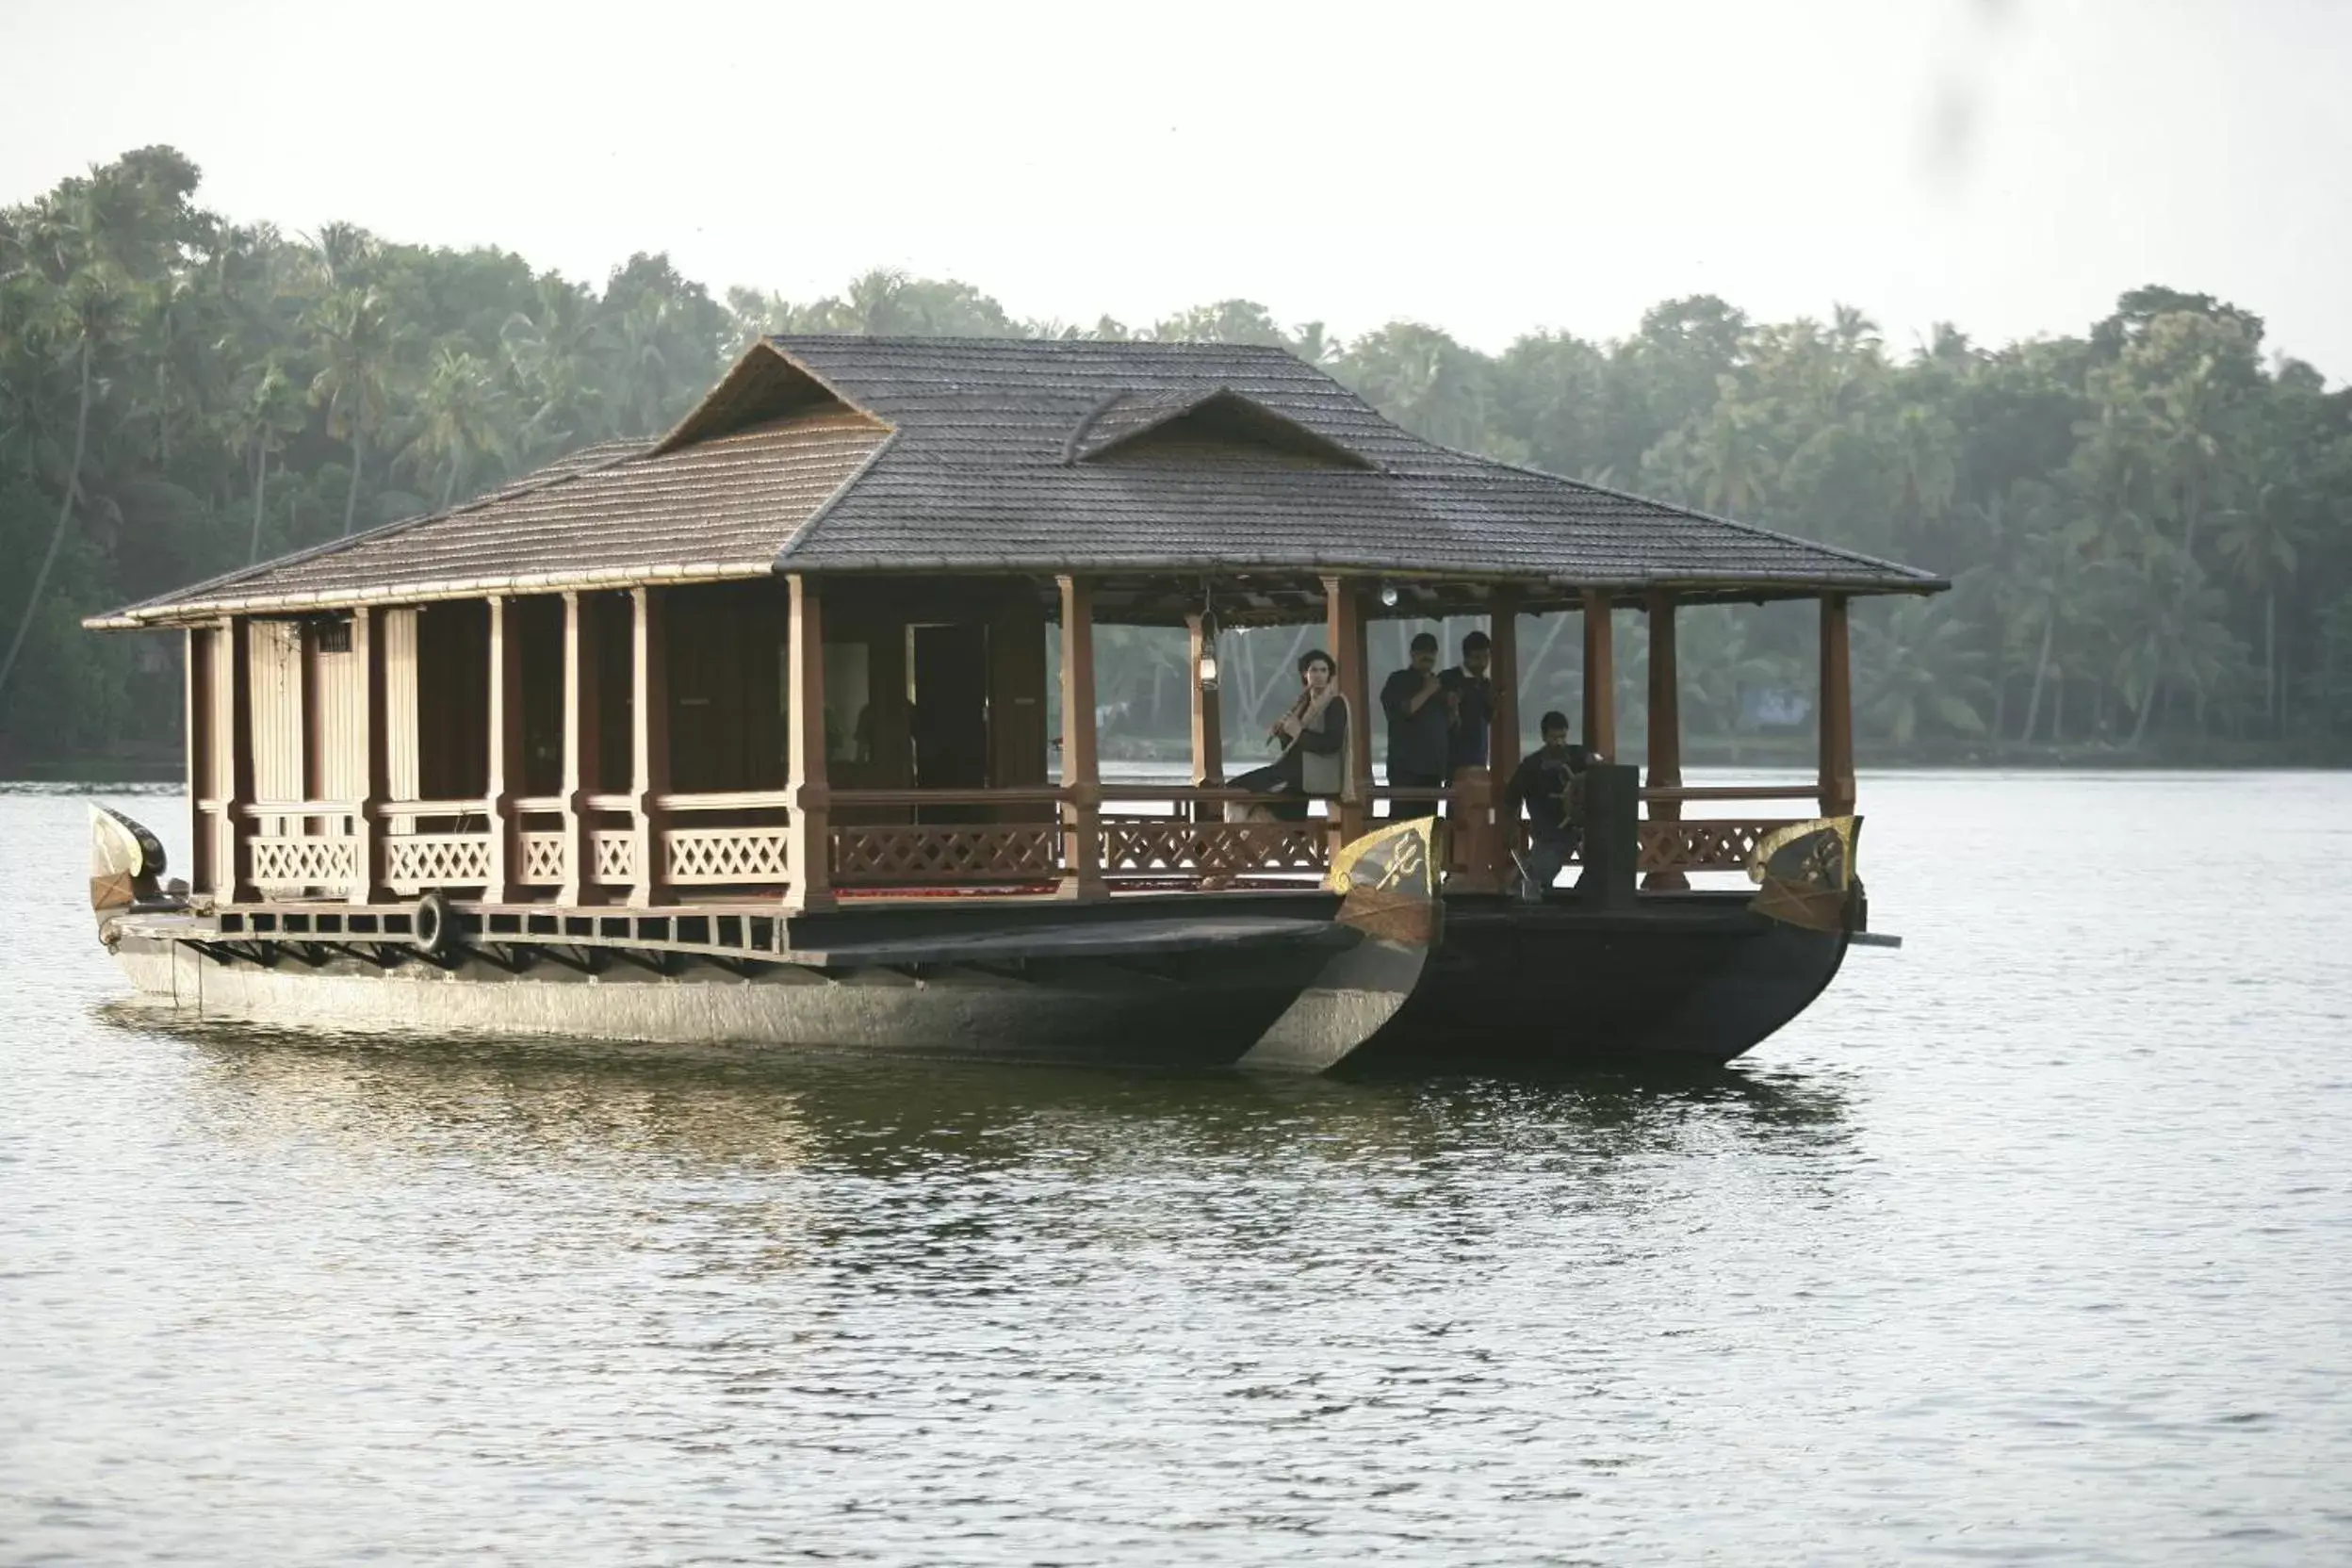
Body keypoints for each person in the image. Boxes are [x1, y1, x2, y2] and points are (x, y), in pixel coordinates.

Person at [1228, 648, 1349, 824]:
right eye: (1314, 670)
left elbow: (1332, 743)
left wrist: (1298, 731)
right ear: (1304, 674)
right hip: (1292, 770)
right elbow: (1293, 745)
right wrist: (1282, 734)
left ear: (1330, 674)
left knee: (1240, 792)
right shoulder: (1303, 703)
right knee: (1234, 791)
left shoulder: (1335, 703)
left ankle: (1237, 839)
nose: (1319, 675)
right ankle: (1238, 841)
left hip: (1311, 774)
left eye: (1324, 670)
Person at [1503, 710, 1599, 902]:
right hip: (1548, 832)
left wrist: (1595, 763)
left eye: (1562, 737)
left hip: (1581, 828)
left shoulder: (1577, 756)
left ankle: (1584, 897)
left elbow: (1599, 770)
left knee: (1604, 859)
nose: (1559, 742)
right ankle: (1523, 896)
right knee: (1539, 874)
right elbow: (1511, 799)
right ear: (1544, 736)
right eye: (1554, 737)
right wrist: (1511, 828)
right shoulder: (1531, 766)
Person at [1380, 631, 1449, 819]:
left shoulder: (1441, 685)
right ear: (1412, 654)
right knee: (1401, 823)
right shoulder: (1398, 680)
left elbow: (1449, 724)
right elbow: (1405, 710)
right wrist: (1428, 691)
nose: (1427, 657)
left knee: (1427, 825)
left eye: (1431, 652)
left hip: (1433, 770)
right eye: (1421, 652)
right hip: (1405, 768)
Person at [1440, 629, 1495, 776]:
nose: (1483, 663)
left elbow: (1489, 717)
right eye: (1477, 658)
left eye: (1486, 657)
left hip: (1479, 756)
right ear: (1466, 658)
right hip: (1452, 757)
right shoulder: (1449, 679)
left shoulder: (1486, 684)